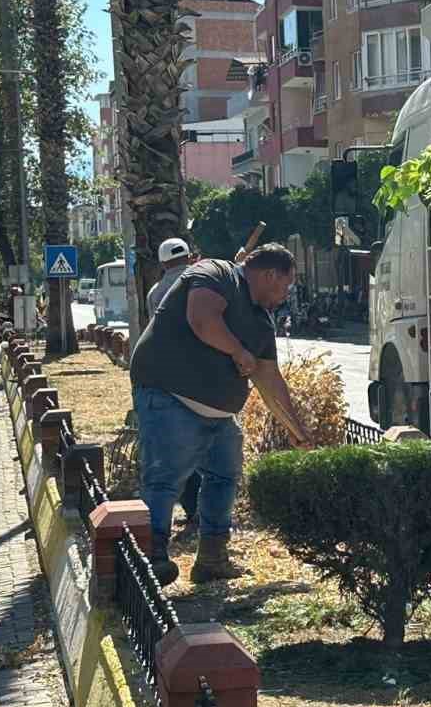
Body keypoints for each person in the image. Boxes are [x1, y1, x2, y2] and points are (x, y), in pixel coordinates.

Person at [128, 244, 314, 584]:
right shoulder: (216, 273)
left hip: (218, 415)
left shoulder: (261, 321)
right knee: (165, 478)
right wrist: (237, 350)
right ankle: (152, 559)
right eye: (286, 285)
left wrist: (296, 429)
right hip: (169, 395)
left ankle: (212, 558)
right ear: (270, 274)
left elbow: (269, 379)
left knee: (225, 475)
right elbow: (202, 319)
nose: (286, 294)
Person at [146, 237, 192, 317]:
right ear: (190, 258)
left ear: (162, 264)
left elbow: (155, 327)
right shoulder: (206, 280)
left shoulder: (154, 293)